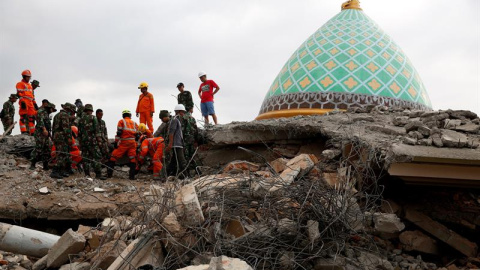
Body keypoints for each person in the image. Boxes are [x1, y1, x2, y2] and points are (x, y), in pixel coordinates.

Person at [106, 109, 139, 180]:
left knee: (113, 157)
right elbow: (138, 134)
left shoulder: (121, 121)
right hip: (132, 143)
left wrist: (116, 142)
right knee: (132, 159)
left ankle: (109, 174)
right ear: (130, 115)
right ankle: (132, 176)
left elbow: (119, 133)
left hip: (124, 142)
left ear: (123, 115)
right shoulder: (134, 123)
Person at [78, 104, 105, 179]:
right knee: (97, 156)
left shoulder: (80, 119)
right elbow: (97, 130)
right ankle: (98, 174)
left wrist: (80, 142)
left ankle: (87, 174)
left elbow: (79, 132)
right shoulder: (93, 118)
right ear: (91, 110)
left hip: (84, 142)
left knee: (85, 158)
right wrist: (99, 141)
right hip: (93, 141)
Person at [50, 103, 77, 179]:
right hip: (62, 137)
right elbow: (66, 128)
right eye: (73, 111)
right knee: (61, 154)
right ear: (69, 109)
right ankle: (55, 171)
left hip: (57, 136)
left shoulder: (57, 115)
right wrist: (69, 138)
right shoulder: (64, 115)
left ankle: (61, 171)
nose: (73, 113)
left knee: (63, 153)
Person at [30, 102, 56, 170]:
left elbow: (48, 126)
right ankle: (33, 163)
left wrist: (50, 135)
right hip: (40, 133)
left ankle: (45, 165)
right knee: (39, 148)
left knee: (46, 149)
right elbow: (40, 121)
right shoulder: (41, 111)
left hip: (46, 134)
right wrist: (44, 129)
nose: (52, 111)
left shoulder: (47, 114)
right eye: (52, 109)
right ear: (49, 108)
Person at [166, 104, 188, 178]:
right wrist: (170, 143)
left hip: (178, 144)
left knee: (174, 161)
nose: (183, 114)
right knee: (182, 161)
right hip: (176, 144)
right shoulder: (175, 120)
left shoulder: (177, 120)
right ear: (178, 111)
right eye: (182, 112)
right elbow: (171, 133)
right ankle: (186, 176)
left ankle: (169, 174)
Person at [16, 70, 37, 135]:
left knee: (32, 117)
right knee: (23, 116)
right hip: (24, 101)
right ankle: (23, 131)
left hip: (30, 102)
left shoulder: (30, 85)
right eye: (28, 77)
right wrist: (22, 102)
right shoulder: (20, 84)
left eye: (29, 77)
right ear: (24, 77)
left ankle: (32, 132)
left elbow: (32, 95)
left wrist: (34, 103)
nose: (29, 78)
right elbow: (19, 93)